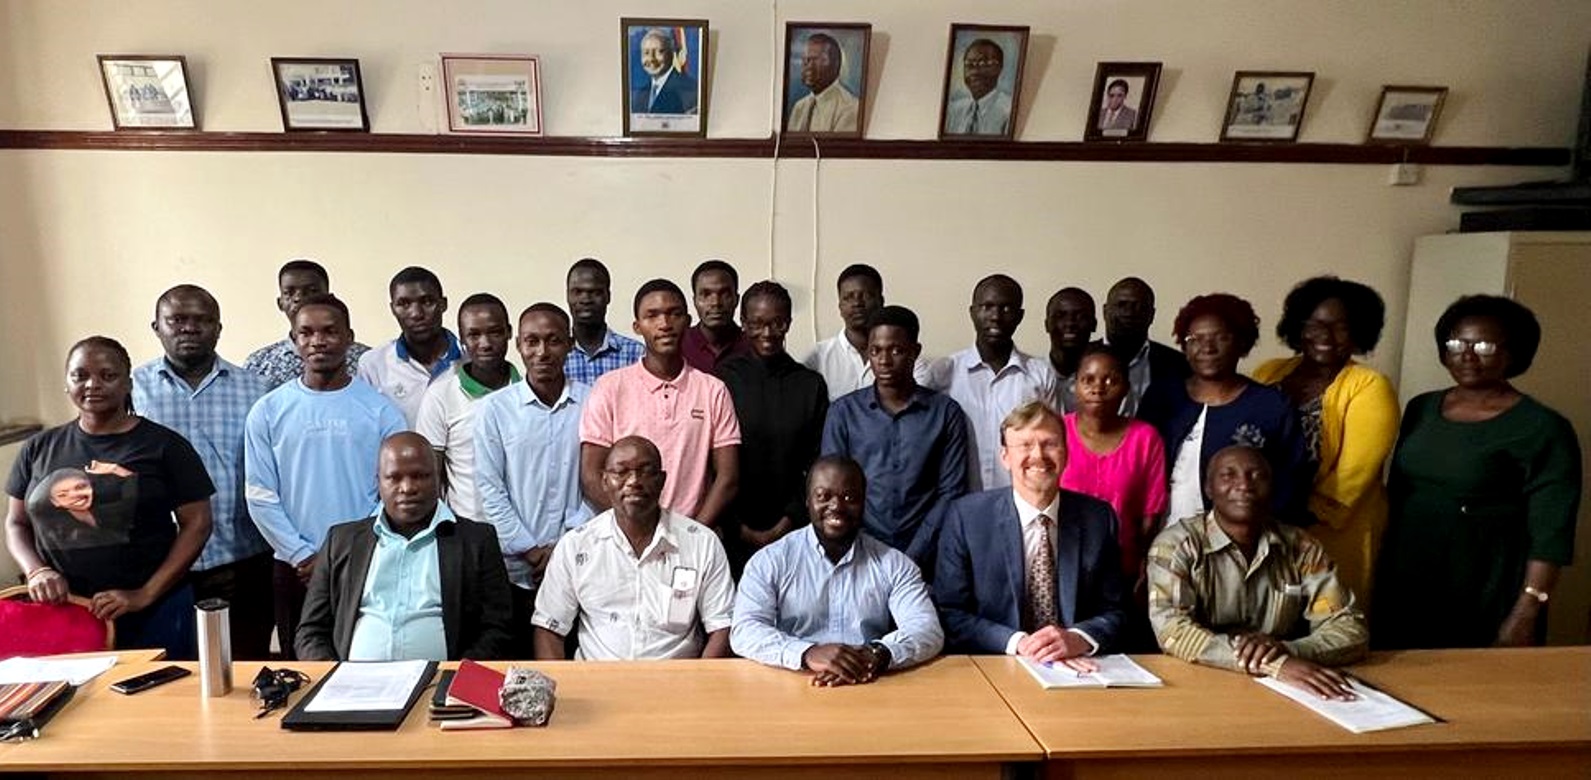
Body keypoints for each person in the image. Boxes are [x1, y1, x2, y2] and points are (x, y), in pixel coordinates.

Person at [1375, 295, 1582, 649]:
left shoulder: (1543, 427)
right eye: (1456, 343)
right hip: (1409, 570)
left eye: (1484, 345)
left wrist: (1527, 610)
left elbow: (1552, 533)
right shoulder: (1421, 407)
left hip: (1487, 578)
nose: (1467, 355)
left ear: (1513, 352)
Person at [6, 337, 214, 660]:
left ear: (128, 383)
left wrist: (144, 594)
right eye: (80, 375)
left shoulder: (165, 446)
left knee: (161, 705)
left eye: (107, 375)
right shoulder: (39, 447)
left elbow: (198, 523)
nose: (93, 385)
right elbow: (16, 523)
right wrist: (36, 571)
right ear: (67, 383)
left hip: (153, 611)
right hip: (66, 612)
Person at [246, 293, 407, 658]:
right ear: (293, 341)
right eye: (306, 333)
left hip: (367, 560)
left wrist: (347, 552)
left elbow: (393, 494)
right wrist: (302, 555)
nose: (318, 341)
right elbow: (260, 495)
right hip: (293, 567)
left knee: (366, 659)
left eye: (330, 331)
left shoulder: (382, 411)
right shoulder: (268, 411)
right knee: (300, 666)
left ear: (349, 337)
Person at [1149, 445, 1367, 700]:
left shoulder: (1302, 548)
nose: (1244, 485)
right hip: (1201, 683)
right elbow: (1173, 631)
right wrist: (1270, 663)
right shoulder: (1177, 545)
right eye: (1228, 475)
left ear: (1272, 486)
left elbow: (1349, 628)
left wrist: (1288, 651)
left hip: (1284, 689)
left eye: (1256, 475)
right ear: (1208, 488)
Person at [132, 285, 274, 659]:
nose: (189, 328)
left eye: (201, 320)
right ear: (156, 327)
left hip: (243, 557)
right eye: (177, 320)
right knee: (170, 675)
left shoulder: (257, 389)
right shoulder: (130, 391)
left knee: (246, 667)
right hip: (161, 565)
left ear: (218, 328)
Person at [935, 400, 1131, 661]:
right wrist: (1018, 643)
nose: (1038, 455)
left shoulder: (1098, 519)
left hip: (1077, 667)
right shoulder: (966, 518)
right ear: (1005, 457)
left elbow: (1117, 612)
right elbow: (949, 612)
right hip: (996, 664)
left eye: (1050, 443)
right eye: (1025, 445)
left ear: (1066, 452)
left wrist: (1078, 638)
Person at [295, 433, 513, 661]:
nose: (407, 488)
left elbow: (497, 630)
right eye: (394, 478)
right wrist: (334, 677)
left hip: (442, 687)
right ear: (378, 482)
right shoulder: (341, 541)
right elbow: (310, 632)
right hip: (352, 686)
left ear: (438, 477)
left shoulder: (477, 541)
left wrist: (458, 679)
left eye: (419, 476)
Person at [731, 456, 943, 685]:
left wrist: (877, 653)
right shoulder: (770, 561)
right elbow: (745, 630)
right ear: (808, 501)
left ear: (864, 502)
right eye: (823, 496)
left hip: (869, 680)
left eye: (849, 497)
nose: (837, 506)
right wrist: (806, 653)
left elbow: (927, 628)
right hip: (794, 682)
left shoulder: (894, 564)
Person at [1252, 277, 1399, 606]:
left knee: (1329, 616)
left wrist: (1291, 517)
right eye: (1314, 324)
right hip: (1265, 520)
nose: (1326, 337)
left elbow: (1352, 475)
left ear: (1359, 331)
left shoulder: (1369, 386)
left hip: (1332, 528)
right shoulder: (1269, 373)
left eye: (1340, 326)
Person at [532, 436, 735, 660]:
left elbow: (722, 627)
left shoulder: (701, 543)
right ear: (604, 481)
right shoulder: (576, 545)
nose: (634, 481)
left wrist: (700, 686)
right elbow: (549, 628)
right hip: (597, 682)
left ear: (662, 480)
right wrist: (565, 689)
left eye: (646, 472)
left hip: (676, 684)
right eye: (621, 472)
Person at [474, 303, 592, 650]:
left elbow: (600, 480)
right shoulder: (495, 409)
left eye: (553, 341)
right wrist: (531, 549)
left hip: (580, 562)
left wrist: (564, 546)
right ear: (519, 345)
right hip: (514, 570)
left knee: (576, 666)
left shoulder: (593, 402)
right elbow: (490, 487)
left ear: (570, 344)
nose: (542, 352)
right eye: (532, 341)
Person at [580, 279, 740, 528]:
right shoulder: (610, 388)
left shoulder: (712, 390)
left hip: (692, 535)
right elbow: (591, 477)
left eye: (674, 314)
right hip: (625, 537)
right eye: (652, 316)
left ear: (687, 322)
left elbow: (728, 478)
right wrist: (635, 527)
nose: (664, 324)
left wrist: (693, 535)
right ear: (637, 326)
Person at [822, 305, 969, 575]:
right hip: (859, 553)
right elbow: (833, 488)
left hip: (930, 554)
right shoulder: (843, 412)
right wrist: (867, 547)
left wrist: (915, 553)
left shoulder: (946, 413)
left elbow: (951, 492)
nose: (884, 361)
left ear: (915, 351)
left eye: (896, 350)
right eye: (876, 351)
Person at [1138, 293, 1309, 525]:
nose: (1207, 348)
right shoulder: (1162, 397)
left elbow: (1291, 483)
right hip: (1160, 539)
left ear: (1241, 343)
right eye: (1195, 339)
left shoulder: (1271, 406)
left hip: (1242, 540)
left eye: (1220, 337)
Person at [719, 282, 829, 571]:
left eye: (777, 323)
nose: (767, 334)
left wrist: (788, 521)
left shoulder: (809, 385)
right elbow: (710, 459)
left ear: (789, 323)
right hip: (731, 528)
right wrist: (736, 526)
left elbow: (816, 460)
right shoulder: (722, 380)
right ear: (743, 323)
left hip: (794, 529)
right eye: (757, 324)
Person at [928, 274, 1059, 491]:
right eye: (987, 307)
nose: (995, 316)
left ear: (1020, 316)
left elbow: (1053, 444)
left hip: (1022, 502)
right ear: (972, 312)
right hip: (959, 503)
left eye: (1006, 308)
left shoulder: (1040, 374)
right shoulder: (944, 372)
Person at [1061, 347, 1167, 604]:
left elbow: (1149, 516)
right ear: (1075, 386)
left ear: (1126, 388)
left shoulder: (1145, 437)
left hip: (1122, 568)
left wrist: (1144, 563)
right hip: (1063, 566)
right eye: (1088, 380)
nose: (1098, 388)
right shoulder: (1056, 432)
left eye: (1111, 380)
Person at [415, 293, 518, 520]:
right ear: (461, 339)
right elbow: (431, 476)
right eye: (474, 335)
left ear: (509, 332)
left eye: (495, 332)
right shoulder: (441, 395)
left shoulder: (527, 392)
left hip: (527, 536)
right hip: (468, 534)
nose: (485, 344)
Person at [802, 263, 929, 401]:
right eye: (848, 297)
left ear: (881, 301)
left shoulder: (910, 361)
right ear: (840, 306)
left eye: (865, 295)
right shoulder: (818, 358)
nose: (857, 303)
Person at [358, 265, 461, 427]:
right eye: (404, 304)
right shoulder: (373, 364)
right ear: (393, 309)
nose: (416, 313)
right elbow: (367, 428)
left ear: (443, 304)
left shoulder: (471, 358)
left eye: (427, 302)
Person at [243, 259, 369, 388]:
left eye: (312, 291)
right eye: (289, 293)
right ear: (280, 303)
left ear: (328, 297)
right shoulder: (258, 364)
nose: (298, 298)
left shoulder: (367, 360)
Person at [564, 257, 644, 385]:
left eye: (595, 292)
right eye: (578, 292)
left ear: (608, 296)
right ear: (567, 296)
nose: (586, 300)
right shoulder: (556, 355)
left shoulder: (636, 354)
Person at [682, 260, 752, 375]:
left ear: (736, 299)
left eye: (724, 294)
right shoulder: (679, 346)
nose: (716, 303)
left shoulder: (754, 347)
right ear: (694, 301)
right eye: (706, 294)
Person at [787, 32, 859, 134]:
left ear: (836, 64)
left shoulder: (850, 108)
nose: (808, 66)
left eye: (816, 59)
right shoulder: (799, 107)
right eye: (805, 59)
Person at [944, 39, 1013, 136]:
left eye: (983, 64)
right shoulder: (953, 111)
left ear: (999, 68)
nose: (974, 71)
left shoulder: (1008, 110)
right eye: (969, 64)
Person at [1045, 287, 1097, 412]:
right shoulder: (1033, 377)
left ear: (1094, 324)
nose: (1070, 323)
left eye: (1080, 316)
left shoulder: (1106, 382)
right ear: (1047, 324)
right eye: (1060, 316)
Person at [630, 27, 698, 115]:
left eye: (659, 52)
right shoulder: (640, 95)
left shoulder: (690, 90)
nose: (651, 59)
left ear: (672, 53)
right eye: (646, 53)